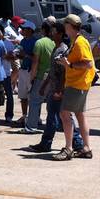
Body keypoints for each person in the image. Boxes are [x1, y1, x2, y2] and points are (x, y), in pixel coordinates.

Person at [27, 23, 84, 154]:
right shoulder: (55, 48)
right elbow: (52, 70)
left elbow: (64, 72)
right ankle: (48, 143)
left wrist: (59, 90)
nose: (51, 34)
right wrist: (44, 85)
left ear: (59, 33)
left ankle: (77, 143)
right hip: (53, 88)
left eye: (53, 31)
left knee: (61, 117)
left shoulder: (63, 50)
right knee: (54, 117)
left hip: (59, 90)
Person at [54, 14, 95, 161]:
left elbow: (88, 63)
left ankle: (69, 148)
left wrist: (68, 65)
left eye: (65, 25)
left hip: (77, 84)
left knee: (64, 114)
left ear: (69, 26)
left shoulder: (79, 42)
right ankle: (86, 148)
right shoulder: (76, 41)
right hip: (79, 83)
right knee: (80, 115)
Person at [25, 19, 56, 132]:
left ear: (43, 30)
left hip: (42, 76)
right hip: (53, 76)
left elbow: (35, 62)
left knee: (34, 100)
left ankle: (31, 126)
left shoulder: (39, 43)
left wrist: (31, 78)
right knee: (52, 103)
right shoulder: (54, 42)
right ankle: (54, 124)